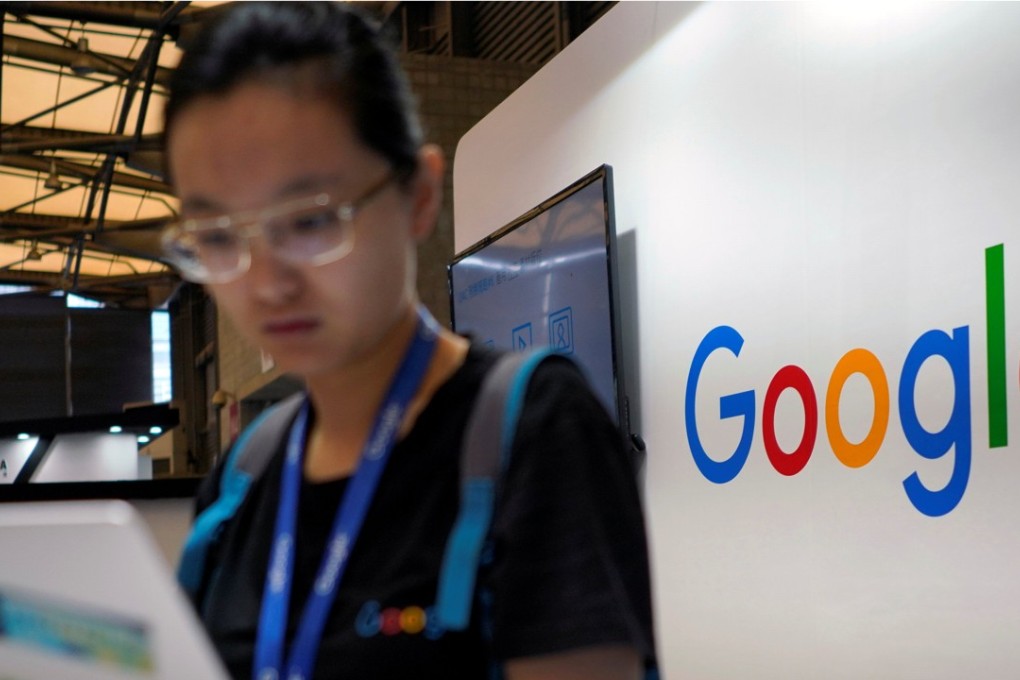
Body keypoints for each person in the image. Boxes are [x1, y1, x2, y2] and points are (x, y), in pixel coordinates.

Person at [161, 3, 656, 679]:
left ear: (419, 195)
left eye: (310, 219)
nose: (267, 282)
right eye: (218, 236)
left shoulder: (534, 433)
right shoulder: (243, 479)